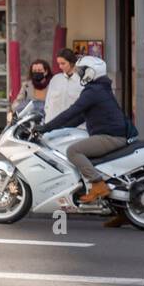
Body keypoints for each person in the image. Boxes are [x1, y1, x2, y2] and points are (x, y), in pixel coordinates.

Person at [36, 56, 128, 203]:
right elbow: (80, 117)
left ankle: (98, 185)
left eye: (82, 70)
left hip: (110, 136)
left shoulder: (93, 91)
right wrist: (56, 130)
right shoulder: (99, 88)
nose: (79, 73)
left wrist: (45, 128)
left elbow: (72, 111)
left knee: (73, 151)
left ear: (91, 72)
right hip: (112, 134)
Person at [45, 48, 83, 123]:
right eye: (59, 64)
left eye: (63, 63)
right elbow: (47, 103)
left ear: (72, 62)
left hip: (75, 127)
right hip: (52, 125)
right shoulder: (55, 79)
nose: (60, 67)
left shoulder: (82, 81)